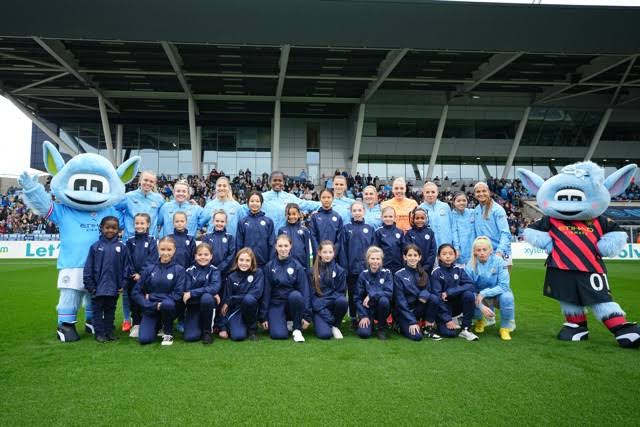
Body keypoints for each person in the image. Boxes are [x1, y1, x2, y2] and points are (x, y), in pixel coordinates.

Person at [83, 216, 130, 343]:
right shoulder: (95, 247)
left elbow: (126, 268)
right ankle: (99, 333)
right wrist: (91, 286)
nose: (110, 230)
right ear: (101, 228)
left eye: (113, 228)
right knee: (97, 312)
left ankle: (109, 332)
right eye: (107, 227)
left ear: (118, 230)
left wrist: (123, 284)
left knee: (110, 310)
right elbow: (88, 268)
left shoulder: (122, 247)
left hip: (114, 288)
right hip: (97, 288)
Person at [132, 236, 186, 346]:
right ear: (158, 249)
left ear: (174, 250)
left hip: (168, 307)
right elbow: (136, 292)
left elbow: (178, 294)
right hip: (151, 308)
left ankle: (168, 331)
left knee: (167, 304)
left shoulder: (179, 270)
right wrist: (151, 305)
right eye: (162, 249)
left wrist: (152, 297)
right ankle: (157, 325)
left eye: (169, 250)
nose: (165, 253)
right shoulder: (149, 269)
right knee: (144, 339)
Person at [259, 234, 311, 342]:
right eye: (280, 246)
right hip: (276, 303)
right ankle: (285, 322)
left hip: (292, 303)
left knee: (296, 295)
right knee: (278, 335)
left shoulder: (297, 266)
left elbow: (305, 291)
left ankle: (297, 329)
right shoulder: (269, 266)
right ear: (275, 247)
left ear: (290, 246)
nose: (283, 249)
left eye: (286, 246)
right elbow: (266, 293)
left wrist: (307, 316)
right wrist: (263, 316)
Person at [237, 171, 321, 236]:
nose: (277, 182)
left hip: (285, 239)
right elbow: (243, 209)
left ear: (284, 182)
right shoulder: (262, 197)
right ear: (270, 182)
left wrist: (323, 204)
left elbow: (307, 204)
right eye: (275, 180)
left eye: (280, 180)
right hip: (266, 237)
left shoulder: (290, 197)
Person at [465, 236, 514, 341]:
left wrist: (484, 293)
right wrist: (481, 306)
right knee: (469, 297)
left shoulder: (499, 261)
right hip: (479, 296)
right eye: (478, 250)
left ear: (490, 250)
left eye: (484, 249)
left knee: (507, 297)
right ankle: (479, 320)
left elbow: (504, 285)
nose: (482, 253)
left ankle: (505, 328)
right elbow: (469, 289)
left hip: (497, 293)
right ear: (474, 252)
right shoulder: (470, 265)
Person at [338, 201, 375, 329]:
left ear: (364, 211)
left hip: (366, 269)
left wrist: (371, 267)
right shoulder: (346, 228)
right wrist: (345, 267)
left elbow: (373, 250)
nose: (357, 213)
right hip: (351, 269)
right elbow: (342, 249)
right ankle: (353, 317)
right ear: (351, 212)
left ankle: (366, 316)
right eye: (355, 210)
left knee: (366, 292)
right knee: (353, 293)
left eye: (359, 210)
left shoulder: (370, 229)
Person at [430, 244, 479, 341]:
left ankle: (466, 328)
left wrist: (450, 292)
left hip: (456, 306)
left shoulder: (459, 270)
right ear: (439, 257)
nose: (448, 256)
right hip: (443, 309)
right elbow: (437, 298)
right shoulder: (436, 272)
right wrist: (447, 320)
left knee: (469, 295)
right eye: (444, 254)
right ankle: (440, 322)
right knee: (450, 334)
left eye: (450, 254)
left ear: (455, 255)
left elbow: (470, 285)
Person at [393, 244, 441, 341]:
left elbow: (429, 290)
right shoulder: (399, 275)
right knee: (417, 337)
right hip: (404, 313)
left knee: (434, 298)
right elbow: (400, 302)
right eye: (409, 255)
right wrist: (411, 321)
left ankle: (428, 327)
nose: (412, 258)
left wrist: (423, 294)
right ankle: (398, 325)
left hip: (419, 308)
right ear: (404, 257)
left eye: (415, 255)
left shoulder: (423, 273)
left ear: (419, 257)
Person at [219, 248, 264, 341]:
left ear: (252, 262)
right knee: (238, 336)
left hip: (251, 308)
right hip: (236, 310)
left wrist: (232, 299)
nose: (244, 263)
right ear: (237, 261)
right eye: (241, 260)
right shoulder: (231, 277)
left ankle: (252, 330)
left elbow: (256, 293)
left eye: (247, 260)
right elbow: (225, 301)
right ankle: (239, 326)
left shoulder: (258, 273)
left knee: (249, 299)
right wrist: (223, 328)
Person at [125, 213, 158, 338]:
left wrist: (142, 274)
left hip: (147, 278)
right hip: (133, 278)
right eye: (137, 223)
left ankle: (149, 322)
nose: (139, 226)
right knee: (134, 301)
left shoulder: (152, 241)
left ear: (148, 224)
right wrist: (133, 273)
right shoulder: (130, 241)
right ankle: (136, 324)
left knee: (147, 299)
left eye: (142, 223)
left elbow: (152, 260)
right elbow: (128, 260)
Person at [183, 243, 221, 344]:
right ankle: (198, 323)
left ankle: (207, 332)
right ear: (195, 256)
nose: (203, 257)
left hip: (207, 304)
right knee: (190, 337)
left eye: (206, 254)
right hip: (193, 306)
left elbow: (215, 287)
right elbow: (187, 290)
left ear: (211, 256)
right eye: (200, 254)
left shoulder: (215, 270)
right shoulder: (189, 271)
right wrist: (209, 290)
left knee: (207, 298)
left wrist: (193, 292)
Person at [311, 241, 348, 340]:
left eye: (330, 252)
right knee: (324, 335)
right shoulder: (312, 271)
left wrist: (323, 302)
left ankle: (336, 325)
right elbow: (311, 296)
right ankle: (331, 322)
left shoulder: (340, 271)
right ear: (319, 253)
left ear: (334, 253)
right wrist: (327, 315)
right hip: (319, 309)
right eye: (325, 252)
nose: (327, 255)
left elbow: (340, 293)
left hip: (331, 305)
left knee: (342, 301)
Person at [355, 246, 393, 340]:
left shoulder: (387, 273)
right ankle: (369, 322)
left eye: (378, 259)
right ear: (368, 260)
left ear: (381, 260)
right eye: (372, 258)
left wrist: (371, 295)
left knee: (384, 300)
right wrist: (363, 315)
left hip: (381, 308)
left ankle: (381, 327)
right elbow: (357, 298)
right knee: (364, 334)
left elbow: (389, 292)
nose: (375, 261)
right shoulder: (363, 275)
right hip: (367, 309)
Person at [472, 182, 512, 273]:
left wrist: (499, 252)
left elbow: (505, 233)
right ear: (474, 194)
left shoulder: (497, 210)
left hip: (500, 253)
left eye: (484, 191)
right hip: (484, 254)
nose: (481, 194)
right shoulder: (476, 210)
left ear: (489, 192)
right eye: (478, 191)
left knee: (503, 281)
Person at [116, 170, 164, 240]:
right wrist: (122, 224)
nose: (148, 183)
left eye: (151, 181)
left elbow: (162, 216)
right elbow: (116, 209)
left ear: (154, 184)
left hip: (150, 239)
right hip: (130, 238)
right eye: (145, 180)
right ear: (140, 180)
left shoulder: (159, 199)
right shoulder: (128, 196)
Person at [236, 191, 275, 268]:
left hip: (264, 264)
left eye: (257, 201)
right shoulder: (242, 222)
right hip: (247, 264)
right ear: (248, 203)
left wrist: (270, 262)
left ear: (261, 203)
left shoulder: (268, 222)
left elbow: (272, 243)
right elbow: (239, 244)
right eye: (252, 201)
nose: (254, 203)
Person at [277, 203, 316, 271]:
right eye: (289, 214)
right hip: (286, 266)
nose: (291, 216)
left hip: (301, 265)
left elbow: (308, 250)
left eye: (294, 214)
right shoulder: (282, 230)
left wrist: (308, 268)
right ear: (286, 215)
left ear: (299, 214)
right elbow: (279, 249)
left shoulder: (304, 230)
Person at [201, 210, 236, 277]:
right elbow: (204, 254)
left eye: (222, 221)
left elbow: (232, 255)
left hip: (225, 271)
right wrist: (211, 267)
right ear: (213, 221)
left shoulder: (230, 238)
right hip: (209, 271)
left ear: (226, 222)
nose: (219, 223)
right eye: (217, 221)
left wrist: (221, 267)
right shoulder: (207, 237)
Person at [405, 207, 436, 273]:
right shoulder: (409, 233)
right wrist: (414, 266)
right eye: (417, 218)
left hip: (427, 269)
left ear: (426, 219)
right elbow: (407, 251)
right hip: (413, 267)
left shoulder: (430, 233)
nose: (420, 220)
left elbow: (433, 251)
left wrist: (426, 267)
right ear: (413, 219)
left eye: (422, 218)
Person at [374, 206, 405, 273]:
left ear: (395, 218)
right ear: (381, 218)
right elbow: (376, 250)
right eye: (385, 216)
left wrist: (403, 264)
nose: (388, 219)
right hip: (384, 265)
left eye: (390, 216)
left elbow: (403, 249)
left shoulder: (400, 232)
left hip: (398, 265)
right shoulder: (378, 232)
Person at [450, 192, 476, 266]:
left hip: (473, 247)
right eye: (458, 201)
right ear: (454, 202)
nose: (461, 203)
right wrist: (456, 248)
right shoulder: (451, 215)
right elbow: (454, 233)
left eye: (464, 200)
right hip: (460, 249)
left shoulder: (472, 212)